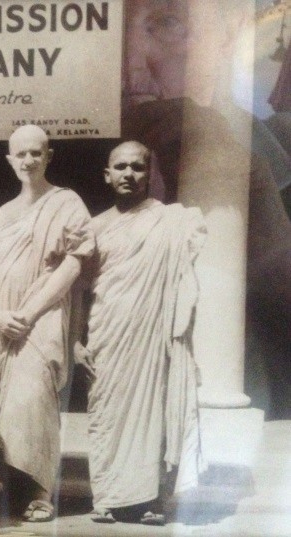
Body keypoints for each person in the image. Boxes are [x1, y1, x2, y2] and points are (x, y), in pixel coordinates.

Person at [123, 0, 291, 417]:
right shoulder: (19, 171)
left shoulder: (274, 156)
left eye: (168, 23)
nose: (130, 66)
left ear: (232, 31)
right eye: (100, 32)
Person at [76, 141, 207, 525]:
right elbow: (78, 292)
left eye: (137, 167)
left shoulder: (173, 221)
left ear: (150, 174)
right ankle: (108, 497)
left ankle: (150, 498)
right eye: (120, 167)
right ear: (107, 174)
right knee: (106, 414)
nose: (128, 174)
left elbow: (185, 282)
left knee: (152, 411)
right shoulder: (95, 227)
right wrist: (75, 341)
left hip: (152, 337)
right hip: (107, 336)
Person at [0, 125, 94, 522]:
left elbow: (75, 262)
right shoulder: (4, 214)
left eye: (36, 153)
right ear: (10, 160)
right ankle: (19, 485)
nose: (28, 160)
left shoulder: (67, 202)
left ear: (49, 156)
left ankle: (43, 492)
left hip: (42, 317)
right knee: (10, 407)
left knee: (35, 399)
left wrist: (28, 315)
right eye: (20, 154)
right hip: (7, 322)